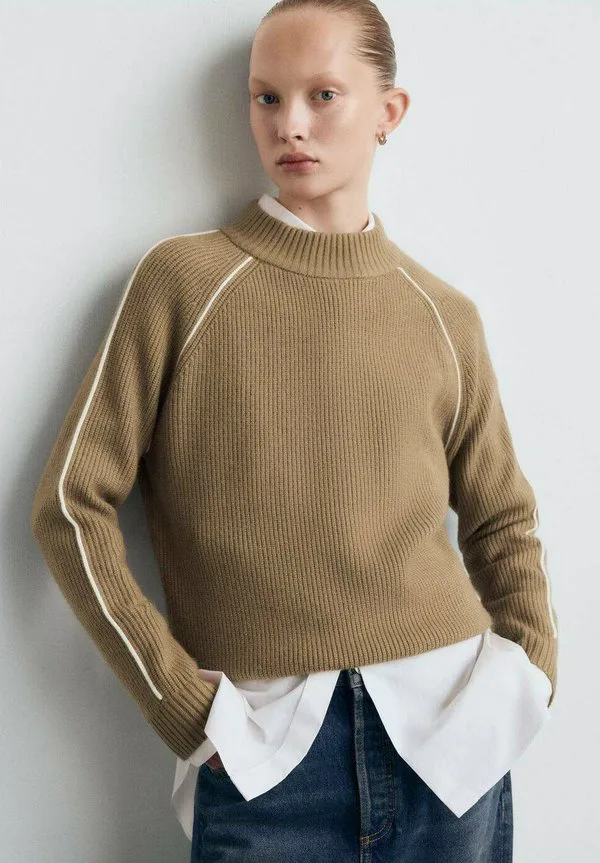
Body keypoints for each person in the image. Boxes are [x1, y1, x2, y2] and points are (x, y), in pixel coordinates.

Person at [30, 1, 559, 861]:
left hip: (452, 740)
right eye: (266, 98)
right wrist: (181, 702)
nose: (291, 125)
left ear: (389, 112)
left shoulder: (443, 313)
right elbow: (67, 504)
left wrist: (530, 671)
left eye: (323, 95)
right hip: (265, 752)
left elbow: (503, 517)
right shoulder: (183, 283)